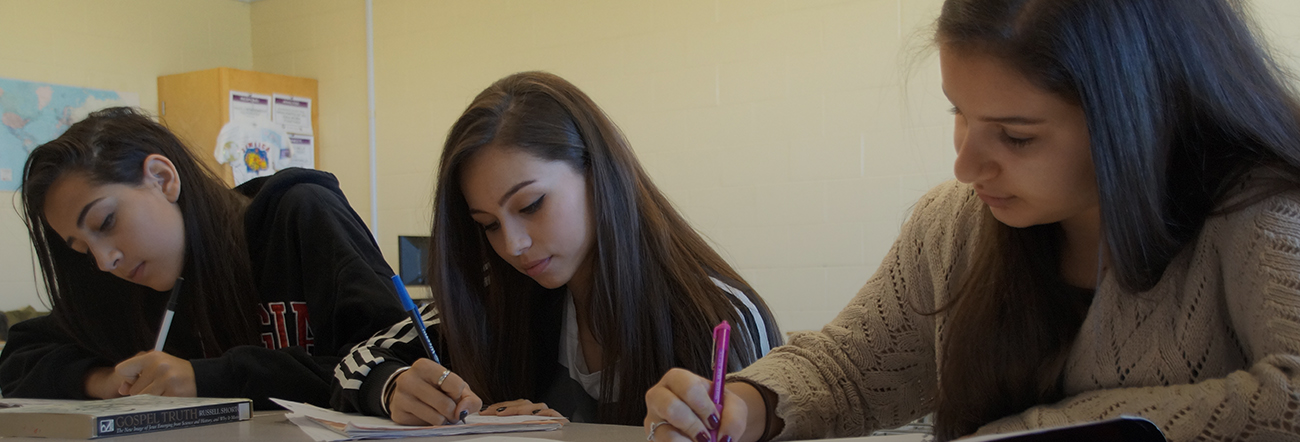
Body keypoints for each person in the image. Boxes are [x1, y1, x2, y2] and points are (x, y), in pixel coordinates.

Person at [644, 0, 1300, 441]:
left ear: (1141, 117)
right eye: (958, 112)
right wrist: (748, 405)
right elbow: (847, 366)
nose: (965, 165)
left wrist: (1041, 429)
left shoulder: (1256, 213)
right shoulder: (953, 226)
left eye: (1015, 136)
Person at [331, 71, 783, 426]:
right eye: (487, 225)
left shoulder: (721, 316)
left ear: (597, 172)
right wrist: (391, 387)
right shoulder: (499, 292)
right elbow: (357, 359)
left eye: (531, 205)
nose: (514, 245)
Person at [0, 107, 408, 410]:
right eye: (81, 248)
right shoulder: (124, 281)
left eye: (106, 221)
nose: (105, 260)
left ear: (162, 178)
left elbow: (397, 361)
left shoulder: (299, 214)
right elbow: (21, 355)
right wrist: (102, 380)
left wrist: (206, 378)